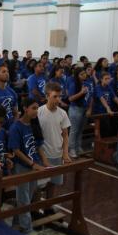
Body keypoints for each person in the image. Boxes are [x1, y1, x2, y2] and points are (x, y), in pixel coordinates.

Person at [9, 98, 49, 235]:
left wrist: (44, 161)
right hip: (22, 166)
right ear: (25, 109)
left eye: (37, 108)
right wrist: (32, 164)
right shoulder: (16, 127)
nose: (36, 111)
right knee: (23, 198)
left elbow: (38, 145)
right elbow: (16, 150)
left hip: (34, 164)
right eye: (33, 108)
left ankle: (16, 224)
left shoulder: (33, 124)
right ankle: (27, 230)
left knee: (28, 196)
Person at [37, 82, 71, 214]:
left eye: (59, 97)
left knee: (53, 183)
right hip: (43, 154)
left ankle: (48, 206)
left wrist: (65, 153)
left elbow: (65, 135)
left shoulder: (62, 113)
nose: (58, 100)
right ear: (47, 96)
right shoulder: (39, 112)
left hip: (57, 154)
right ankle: (35, 208)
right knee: (39, 184)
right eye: (55, 96)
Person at [67, 67, 92, 158]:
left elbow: (90, 97)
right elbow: (70, 98)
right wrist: (81, 93)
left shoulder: (87, 84)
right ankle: (71, 149)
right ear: (77, 76)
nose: (84, 75)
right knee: (74, 130)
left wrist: (89, 109)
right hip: (75, 109)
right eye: (81, 74)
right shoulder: (74, 84)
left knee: (81, 130)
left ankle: (78, 147)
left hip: (84, 109)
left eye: (84, 73)